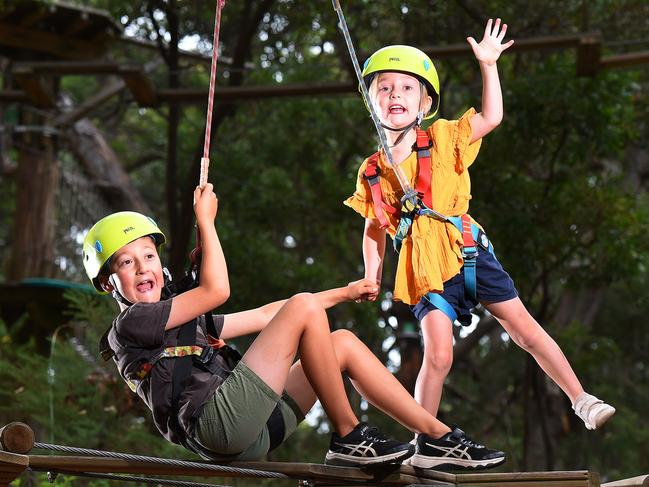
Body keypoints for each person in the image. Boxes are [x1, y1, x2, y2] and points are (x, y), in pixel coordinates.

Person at [81, 183, 505, 470]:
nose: (142, 268)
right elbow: (217, 290)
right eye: (125, 263)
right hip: (216, 424)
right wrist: (206, 222)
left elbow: (268, 317)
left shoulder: (179, 319)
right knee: (303, 308)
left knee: (341, 343)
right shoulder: (131, 324)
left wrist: (344, 291)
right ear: (108, 284)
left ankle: (436, 438)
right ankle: (349, 437)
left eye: (147, 256)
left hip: (253, 434)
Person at [344, 18, 615, 444]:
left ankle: (580, 398)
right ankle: (425, 442)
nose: (395, 93)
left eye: (407, 88)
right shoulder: (373, 171)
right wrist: (372, 275)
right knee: (439, 354)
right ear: (372, 102)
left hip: (467, 249)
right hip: (424, 268)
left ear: (425, 103)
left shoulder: (443, 137)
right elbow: (374, 228)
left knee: (524, 329)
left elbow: (491, 116)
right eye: (385, 88)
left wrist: (488, 65)